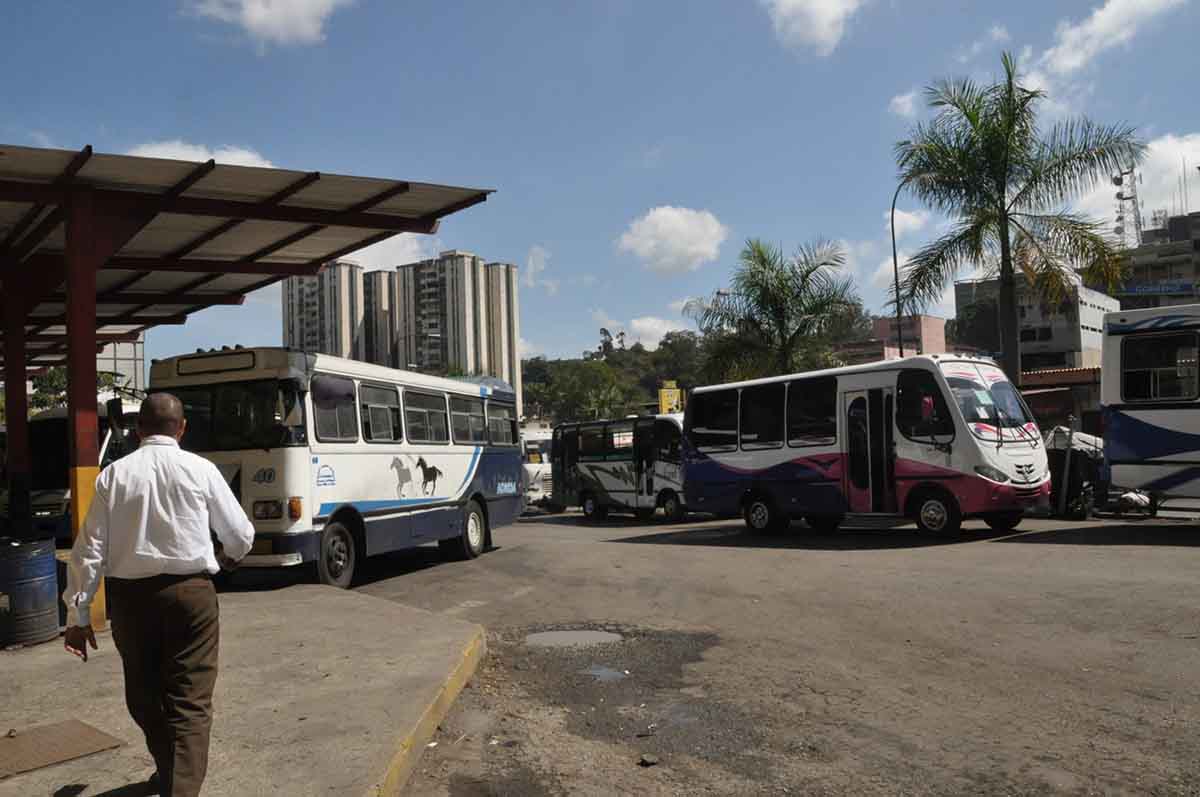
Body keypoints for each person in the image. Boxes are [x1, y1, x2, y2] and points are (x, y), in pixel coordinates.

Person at [63, 393, 254, 797]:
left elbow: (89, 550)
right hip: (192, 597)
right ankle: (175, 778)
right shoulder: (200, 469)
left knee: (145, 696)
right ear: (182, 428)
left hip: (131, 601)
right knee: (190, 699)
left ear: (137, 431)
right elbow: (240, 534)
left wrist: (78, 618)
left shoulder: (113, 475)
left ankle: (174, 780)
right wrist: (228, 560)